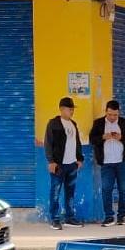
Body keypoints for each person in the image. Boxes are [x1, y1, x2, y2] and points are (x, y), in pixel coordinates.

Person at [89, 100, 125, 227]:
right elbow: (92, 139)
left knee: (123, 190)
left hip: (123, 162)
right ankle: (109, 217)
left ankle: (121, 217)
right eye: (110, 114)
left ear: (118, 113)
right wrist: (103, 137)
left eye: (115, 115)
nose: (112, 117)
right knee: (106, 189)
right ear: (106, 112)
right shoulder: (98, 123)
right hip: (106, 163)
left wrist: (121, 138)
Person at [43, 96, 85, 230]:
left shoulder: (73, 124)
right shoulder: (53, 124)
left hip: (72, 164)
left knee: (70, 192)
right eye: (69, 109)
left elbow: (77, 143)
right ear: (61, 109)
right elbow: (48, 144)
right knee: (55, 192)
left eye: (72, 109)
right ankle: (54, 219)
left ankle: (69, 218)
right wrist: (51, 161)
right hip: (58, 165)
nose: (72, 111)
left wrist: (79, 159)